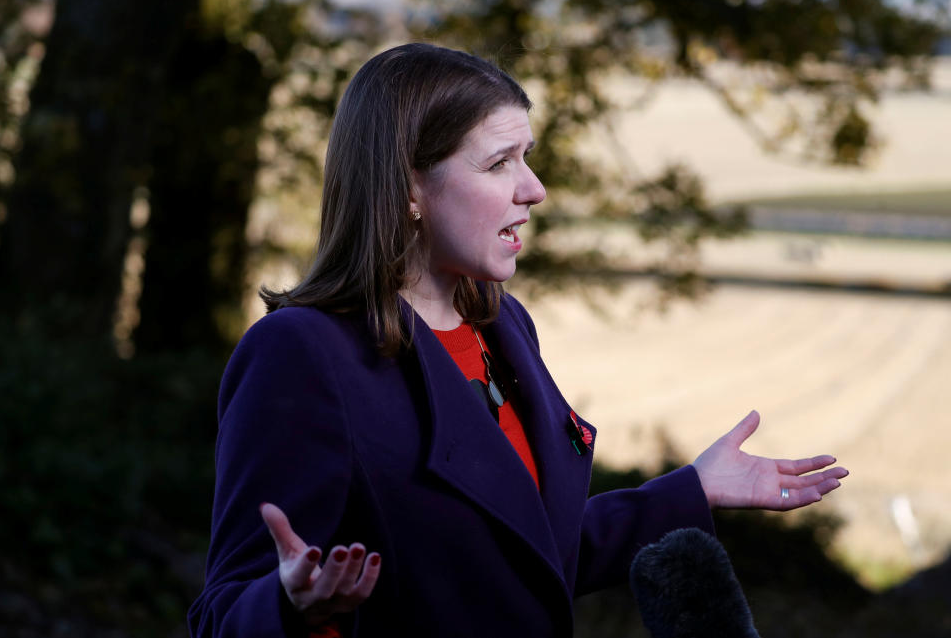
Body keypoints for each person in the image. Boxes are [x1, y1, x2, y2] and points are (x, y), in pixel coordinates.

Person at [188, 43, 848, 638]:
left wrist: (691, 491)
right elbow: (223, 613)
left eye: (526, 157)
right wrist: (290, 605)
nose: (534, 189)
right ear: (410, 186)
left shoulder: (504, 328)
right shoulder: (301, 354)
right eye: (500, 162)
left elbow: (526, 552)